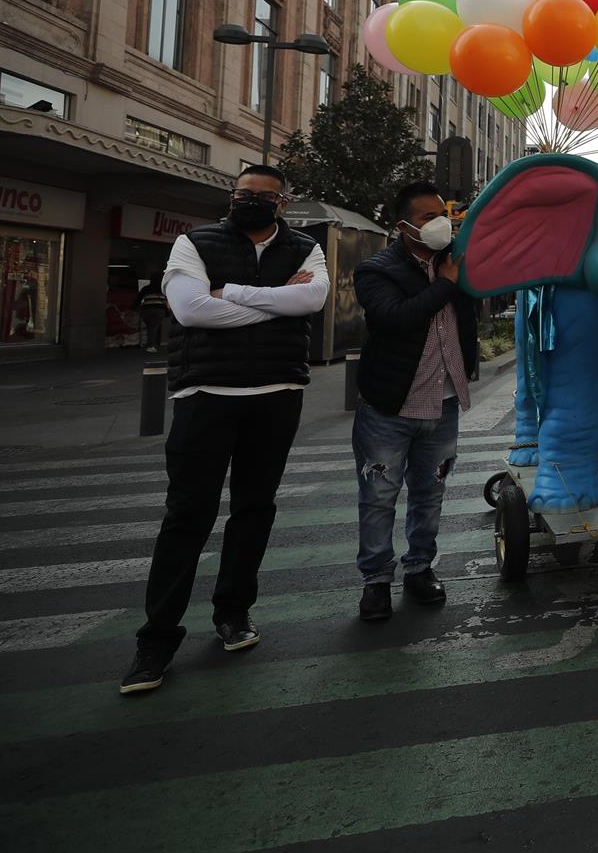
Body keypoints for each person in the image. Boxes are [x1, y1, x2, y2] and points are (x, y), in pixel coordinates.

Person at [122, 165, 327, 695]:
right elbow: (192, 311)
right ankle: (156, 639)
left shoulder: (305, 247)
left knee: (254, 510)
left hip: (277, 394)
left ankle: (233, 613)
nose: (249, 201)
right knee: (187, 515)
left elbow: (310, 301)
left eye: (263, 195)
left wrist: (231, 292)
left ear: (282, 203)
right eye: (242, 193)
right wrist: (274, 302)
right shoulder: (193, 242)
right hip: (206, 395)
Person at [351, 182, 478, 622]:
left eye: (443, 214)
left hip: (444, 404)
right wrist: (445, 286)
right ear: (403, 225)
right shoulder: (376, 270)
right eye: (428, 217)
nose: (440, 223)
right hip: (390, 407)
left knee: (430, 493)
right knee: (379, 496)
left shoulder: (457, 261)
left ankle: (420, 568)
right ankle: (375, 581)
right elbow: (395, 318)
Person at [137, 276, 169, 352]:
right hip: (159, 310)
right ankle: (150, 346)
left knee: (150, 327)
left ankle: (150, 344)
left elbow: (138, 299)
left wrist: (133, 308)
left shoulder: (145, 288)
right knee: (154, 327)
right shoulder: (163, 289)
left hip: (146, 309)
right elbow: (167, 299)